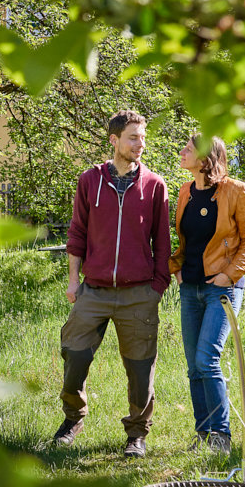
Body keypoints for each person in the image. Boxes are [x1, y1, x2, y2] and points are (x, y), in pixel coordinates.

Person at [52, 110, 171, 459]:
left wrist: (157, 288)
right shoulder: (89, 181)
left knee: (140, 368)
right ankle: (73, 419)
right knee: (74, 355)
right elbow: (77, 234)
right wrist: (74, 282)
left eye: (143, 137)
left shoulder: (154, 185)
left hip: (139, 294)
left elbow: (162, 243)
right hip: (95, 290)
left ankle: (137, 434)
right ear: (114, 140)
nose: (140, 144)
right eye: (133, 137)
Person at [169, 133, 245, 455]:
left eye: (188, 149)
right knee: (193, 366)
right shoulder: (185, 192)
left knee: (207, 360)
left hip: (221, 288)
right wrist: (176, 269)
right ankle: (204, 433)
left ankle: (221, 436)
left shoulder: (236, 191)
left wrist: (229, 275)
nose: (182, 152)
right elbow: (184, 239)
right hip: (190, 287)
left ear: (206, 158)